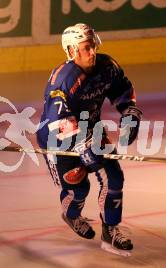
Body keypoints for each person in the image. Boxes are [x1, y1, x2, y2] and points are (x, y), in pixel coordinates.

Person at [36, 23, 142, 256]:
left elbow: (123, 91)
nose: (92, 52)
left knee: (114, 176)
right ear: (71, 50)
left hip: (91, 128)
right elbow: (57, 119)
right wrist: (81, 144)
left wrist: (130, 113)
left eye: (93, 46)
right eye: (85, 48)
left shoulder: (107, 66)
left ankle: (110, 231)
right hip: (57, 137)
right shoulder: (62, 80)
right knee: (78, 186)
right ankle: (71, 215)